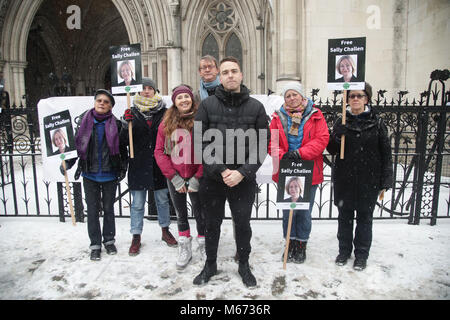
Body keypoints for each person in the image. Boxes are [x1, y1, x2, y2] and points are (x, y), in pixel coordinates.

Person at [193, 56, 269, 287]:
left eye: (234, 71)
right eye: (225, 72)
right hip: (214, 179)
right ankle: (211, 264)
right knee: (211, 224)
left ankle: (244, 264)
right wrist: (223, 170)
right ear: (220, 76)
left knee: (242, 223)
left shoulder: (256, 107)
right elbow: (198, 142)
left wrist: (242, 172)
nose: (230, 76)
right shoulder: (206, 106)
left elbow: (262, 144)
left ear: (241, 74)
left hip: (243, 180)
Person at [326, 82, 393, 271]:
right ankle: (344, 251)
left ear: (367, 99)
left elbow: (386, 153)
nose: (355, 99)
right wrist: (337, 136)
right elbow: (332, 149)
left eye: (360, 95)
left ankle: (362, 254)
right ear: (347, 99)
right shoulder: (342, 121)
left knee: (365, 218)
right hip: (345, 178)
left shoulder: (377, 123)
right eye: (352, 96)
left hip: (368, 179)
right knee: (344, 217)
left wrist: (386, 180)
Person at [62, 89, 128, 261]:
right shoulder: (84, 124)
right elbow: (77, 147)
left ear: (110, 106)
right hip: (89, 174)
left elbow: (123, 149)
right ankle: (95, 245)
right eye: (99, 100)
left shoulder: (117, 124)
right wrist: (67, 163)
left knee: (108, 209)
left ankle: (109, 240)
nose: (102, 103)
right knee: (92, 210)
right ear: (94, 102)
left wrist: (123, 168)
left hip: (109, 174)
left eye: (106, 102)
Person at [269, 82, 329, 264]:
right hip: (287, 171)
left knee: (304, 212)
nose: (292, 98)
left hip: (309, 171)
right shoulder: (277, 117)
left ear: (302, 97)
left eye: (295, 94)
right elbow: (271, 142)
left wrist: (301, 153)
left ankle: (301, 244)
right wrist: (283, 155)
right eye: (288, 95)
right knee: (289, 212)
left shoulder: (316, 115)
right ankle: (290, 243)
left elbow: (322, 139)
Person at [120, 78, 177, 256]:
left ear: (155, 90)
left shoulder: (165, 112)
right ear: (138, 91)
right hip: (138, 164)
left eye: (150, 88)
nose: (146, 91)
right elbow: (123, 141)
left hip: (159, 164)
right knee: (137, 204)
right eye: (143, 88)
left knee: (162, 200)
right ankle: (136, 236)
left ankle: (165, 230)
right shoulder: (132, 111)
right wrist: (124, 124)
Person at [155, 85, 205, 270]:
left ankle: (204, 245)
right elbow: (159, 152)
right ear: (174, 102)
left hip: (196, 176)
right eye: (179, 97)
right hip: (174, 176)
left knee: (201, 213)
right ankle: (185, 246)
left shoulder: (201, 120)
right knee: (181, 214)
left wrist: (198, 176)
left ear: (192, 99)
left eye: (187, 96)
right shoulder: (166, 124)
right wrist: (173, 177)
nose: (184, 100)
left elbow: (208, 150)